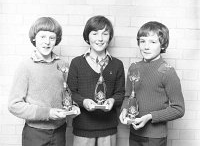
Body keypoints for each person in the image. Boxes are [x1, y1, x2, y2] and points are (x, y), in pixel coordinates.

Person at [8, 17, 80, 146]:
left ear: (56, 40)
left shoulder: (63, 65)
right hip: (35, 133)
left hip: (59, 131)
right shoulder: (25, 66)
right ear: (34, 38)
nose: (47, 42)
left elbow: (68, 94)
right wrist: (47, 113)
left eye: (51, 38)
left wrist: (74, 106)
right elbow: (14, 105)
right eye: (42, 37)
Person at [119, 21, 185, 146]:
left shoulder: (167, 71)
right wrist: (124, 110)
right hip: (134, 133)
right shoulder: (134, 68)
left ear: (163, 45)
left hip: (155, 137)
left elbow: (179, 109)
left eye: (153, 42)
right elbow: (128, 96)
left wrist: (150, 117)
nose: (146, 47)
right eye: (143, 41)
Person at [67, 15, 125, 146]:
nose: (100, 38)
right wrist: (84, 101)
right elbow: (70, 93)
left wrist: (112, 100)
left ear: (110, 37)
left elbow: (121, 94)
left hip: (108, 128)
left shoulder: (117, 64)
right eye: (95, 33)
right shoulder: (76, 63)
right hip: (83, 128)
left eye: (105, 34)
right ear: (87, 37)